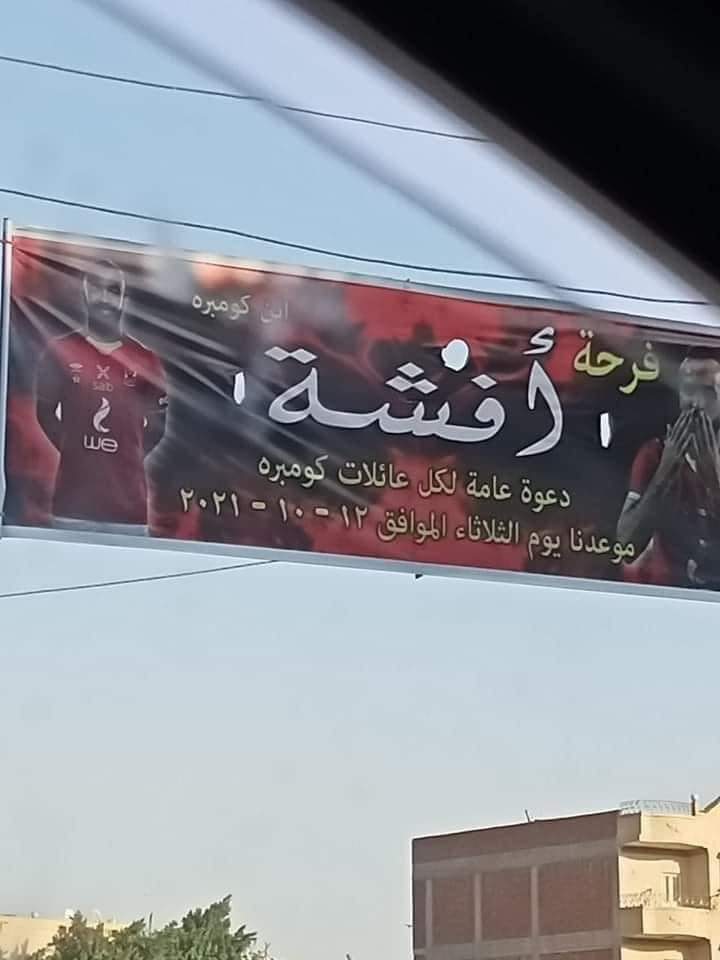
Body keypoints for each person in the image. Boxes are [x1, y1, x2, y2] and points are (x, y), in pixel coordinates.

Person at [35, 259, 167, 536]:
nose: (104, 297)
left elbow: (157, 427)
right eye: (96, 287)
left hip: (128, 514)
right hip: (71, 509)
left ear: (124, 299)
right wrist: (75, 451)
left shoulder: (146, 360)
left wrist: (126, 455)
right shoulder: (60, 350)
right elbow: (44, 413)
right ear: (84, 293)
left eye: (113, 290)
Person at [617, 347, 720, 588]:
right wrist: (665, 471)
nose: (696, 403)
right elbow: (626, 545)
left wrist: (712, 479)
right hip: (666, 596)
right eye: (689, 390)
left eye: (707, 391)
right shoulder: (654, 454)